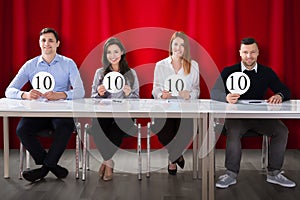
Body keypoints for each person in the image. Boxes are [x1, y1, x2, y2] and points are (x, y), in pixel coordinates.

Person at [211, 37, 296, 188]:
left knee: (281, 130)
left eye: (252, 52)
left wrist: (279, 96)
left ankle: (274, 173)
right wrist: (226, 97)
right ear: (240, 53)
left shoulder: (266, 72)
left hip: (260, 118)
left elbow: (285, 90)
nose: (249, 56)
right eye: (245, 52)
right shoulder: (229, 71)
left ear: (258, 53)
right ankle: (230, 174)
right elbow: (214, 92)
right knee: (234, 131)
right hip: (236, 118)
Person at [5, 28, 85, 182]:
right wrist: (25, 94)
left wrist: (60, 95)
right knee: (22, 130)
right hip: (38, 110)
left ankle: (43, 170)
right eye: (43, 40)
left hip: (61, 110)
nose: (46, 44)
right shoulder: (31, 65)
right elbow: (10, 90)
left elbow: (80, 91)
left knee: (65, 127)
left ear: (57, 44)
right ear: (39, 43)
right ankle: (51, 166)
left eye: (50, 40)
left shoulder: (68, 63)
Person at [91, 37, 139, 181]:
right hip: (104, 112)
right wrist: (99, 94)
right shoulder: (100, 73)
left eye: (116, 52)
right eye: (109, 52)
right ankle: (109, 161)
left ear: (122, 53)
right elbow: (93, 98)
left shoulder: (131, 74)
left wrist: (128, 94)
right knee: (97, 127)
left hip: (125, 114)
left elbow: (137, 100)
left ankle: (106, 161)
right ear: (105, 55)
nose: (112, 56)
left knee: (116, 129)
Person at [152, 31, 200, 175]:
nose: (178, 48)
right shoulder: (160, 65)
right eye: (176, 44)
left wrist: (189, 94)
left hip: (186, 107)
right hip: (165, 107)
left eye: (182, 45)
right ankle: (176, 155)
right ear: (171, 46)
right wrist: (162, 94)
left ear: (186, 49)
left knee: (187, 127)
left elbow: (197, 90)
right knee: (161, 127)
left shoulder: (193, 65)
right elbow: (155, 89)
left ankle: (172, 158)